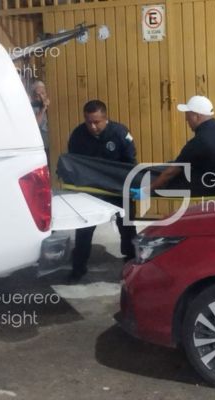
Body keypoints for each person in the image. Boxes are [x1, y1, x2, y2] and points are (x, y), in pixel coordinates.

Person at [67, 100, 137, 282]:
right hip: (91, 190)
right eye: (88, 122)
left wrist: (130, 188)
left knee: (127, 227)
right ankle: (78, 269)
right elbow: (74, 163)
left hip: (118, 188)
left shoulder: (120, 134)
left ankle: (132, 264)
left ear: (105, 119)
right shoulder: (78, 135)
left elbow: (130, 164)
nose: (92, 126)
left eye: (96, 122)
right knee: (84, 228)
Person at [30, 80, 50, 155]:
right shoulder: (31, 108)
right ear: (33, 97)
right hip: (39, 145)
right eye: (37, 95)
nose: (41, 97)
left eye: (43, 93)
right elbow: (35, 125)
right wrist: (43, 109)